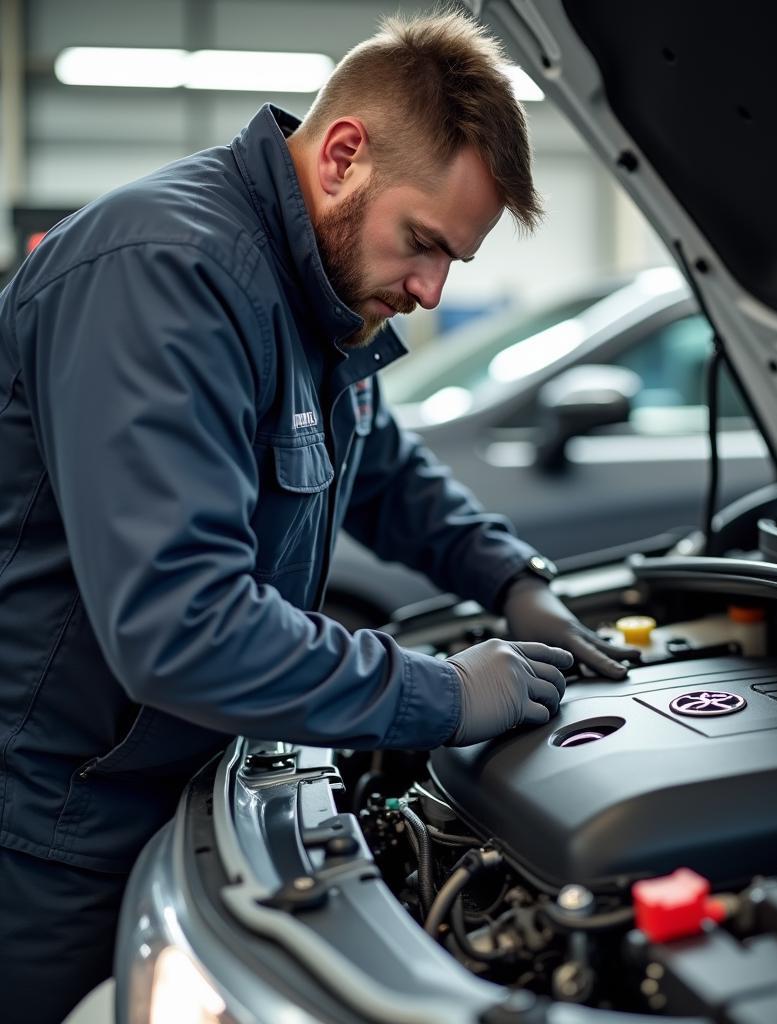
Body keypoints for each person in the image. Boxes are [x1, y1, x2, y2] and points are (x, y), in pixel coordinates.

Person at [0, 11, 636, 1021]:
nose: (431, 289)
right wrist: (437, 694)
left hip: (186, 781)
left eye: (451, 261)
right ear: (342, 155)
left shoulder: (320, 295)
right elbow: (182, 627)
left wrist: (513, 580)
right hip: (62, 828)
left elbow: (381, 470)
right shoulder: (165, 276)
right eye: (423, 243)